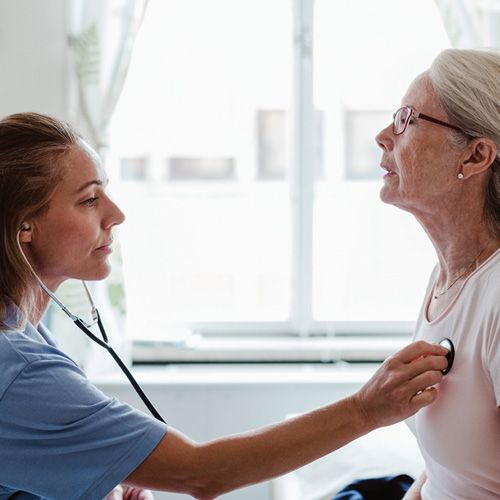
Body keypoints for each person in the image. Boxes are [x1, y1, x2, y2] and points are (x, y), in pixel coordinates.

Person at [0, 112, 448, 500]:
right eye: (89, 199)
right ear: (24, 225)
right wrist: (366, 409)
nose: (116, 214)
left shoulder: (21, 326)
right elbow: (202, 472)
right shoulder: (19, 368)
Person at [375, 48, 500, 499]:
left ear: (475, 156)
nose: (383, 135)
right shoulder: (445, 277)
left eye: (407, 119)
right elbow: (443, 472)